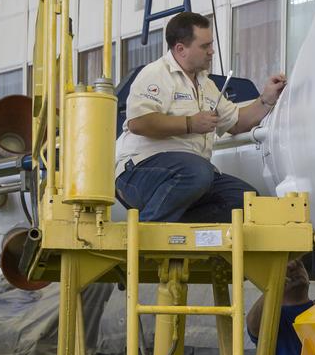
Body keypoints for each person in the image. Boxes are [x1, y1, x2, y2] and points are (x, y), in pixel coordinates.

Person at [115, 11, 287, 222]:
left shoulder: (206, 84)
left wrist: (266, 99)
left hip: (190, 177)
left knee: (244, 201)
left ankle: (179, 233)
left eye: (211, 44)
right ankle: (147, 235)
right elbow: (138, 123)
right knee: (197, 171)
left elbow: (236, 122)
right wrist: (190, 124)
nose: (211, 51)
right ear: (181, 49)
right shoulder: (156, 74)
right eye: (205, 46)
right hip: (139, 173)